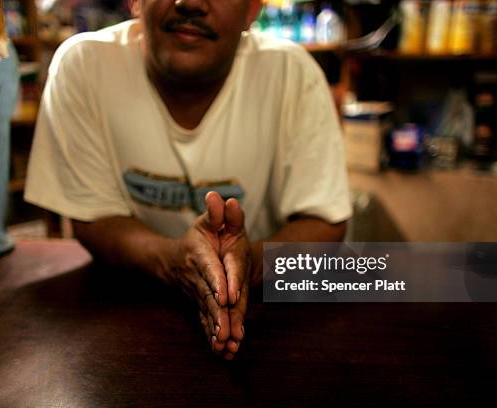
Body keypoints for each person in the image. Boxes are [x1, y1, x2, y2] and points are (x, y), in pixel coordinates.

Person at [25, 0, 352, 360]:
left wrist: (249, 266)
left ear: (253, 9)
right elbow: (91, 216)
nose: (190, 3)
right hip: (123, 318)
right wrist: (172, 259)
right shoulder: (83, 65)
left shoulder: (293, 74)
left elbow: (324, 222)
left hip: (269, 328)